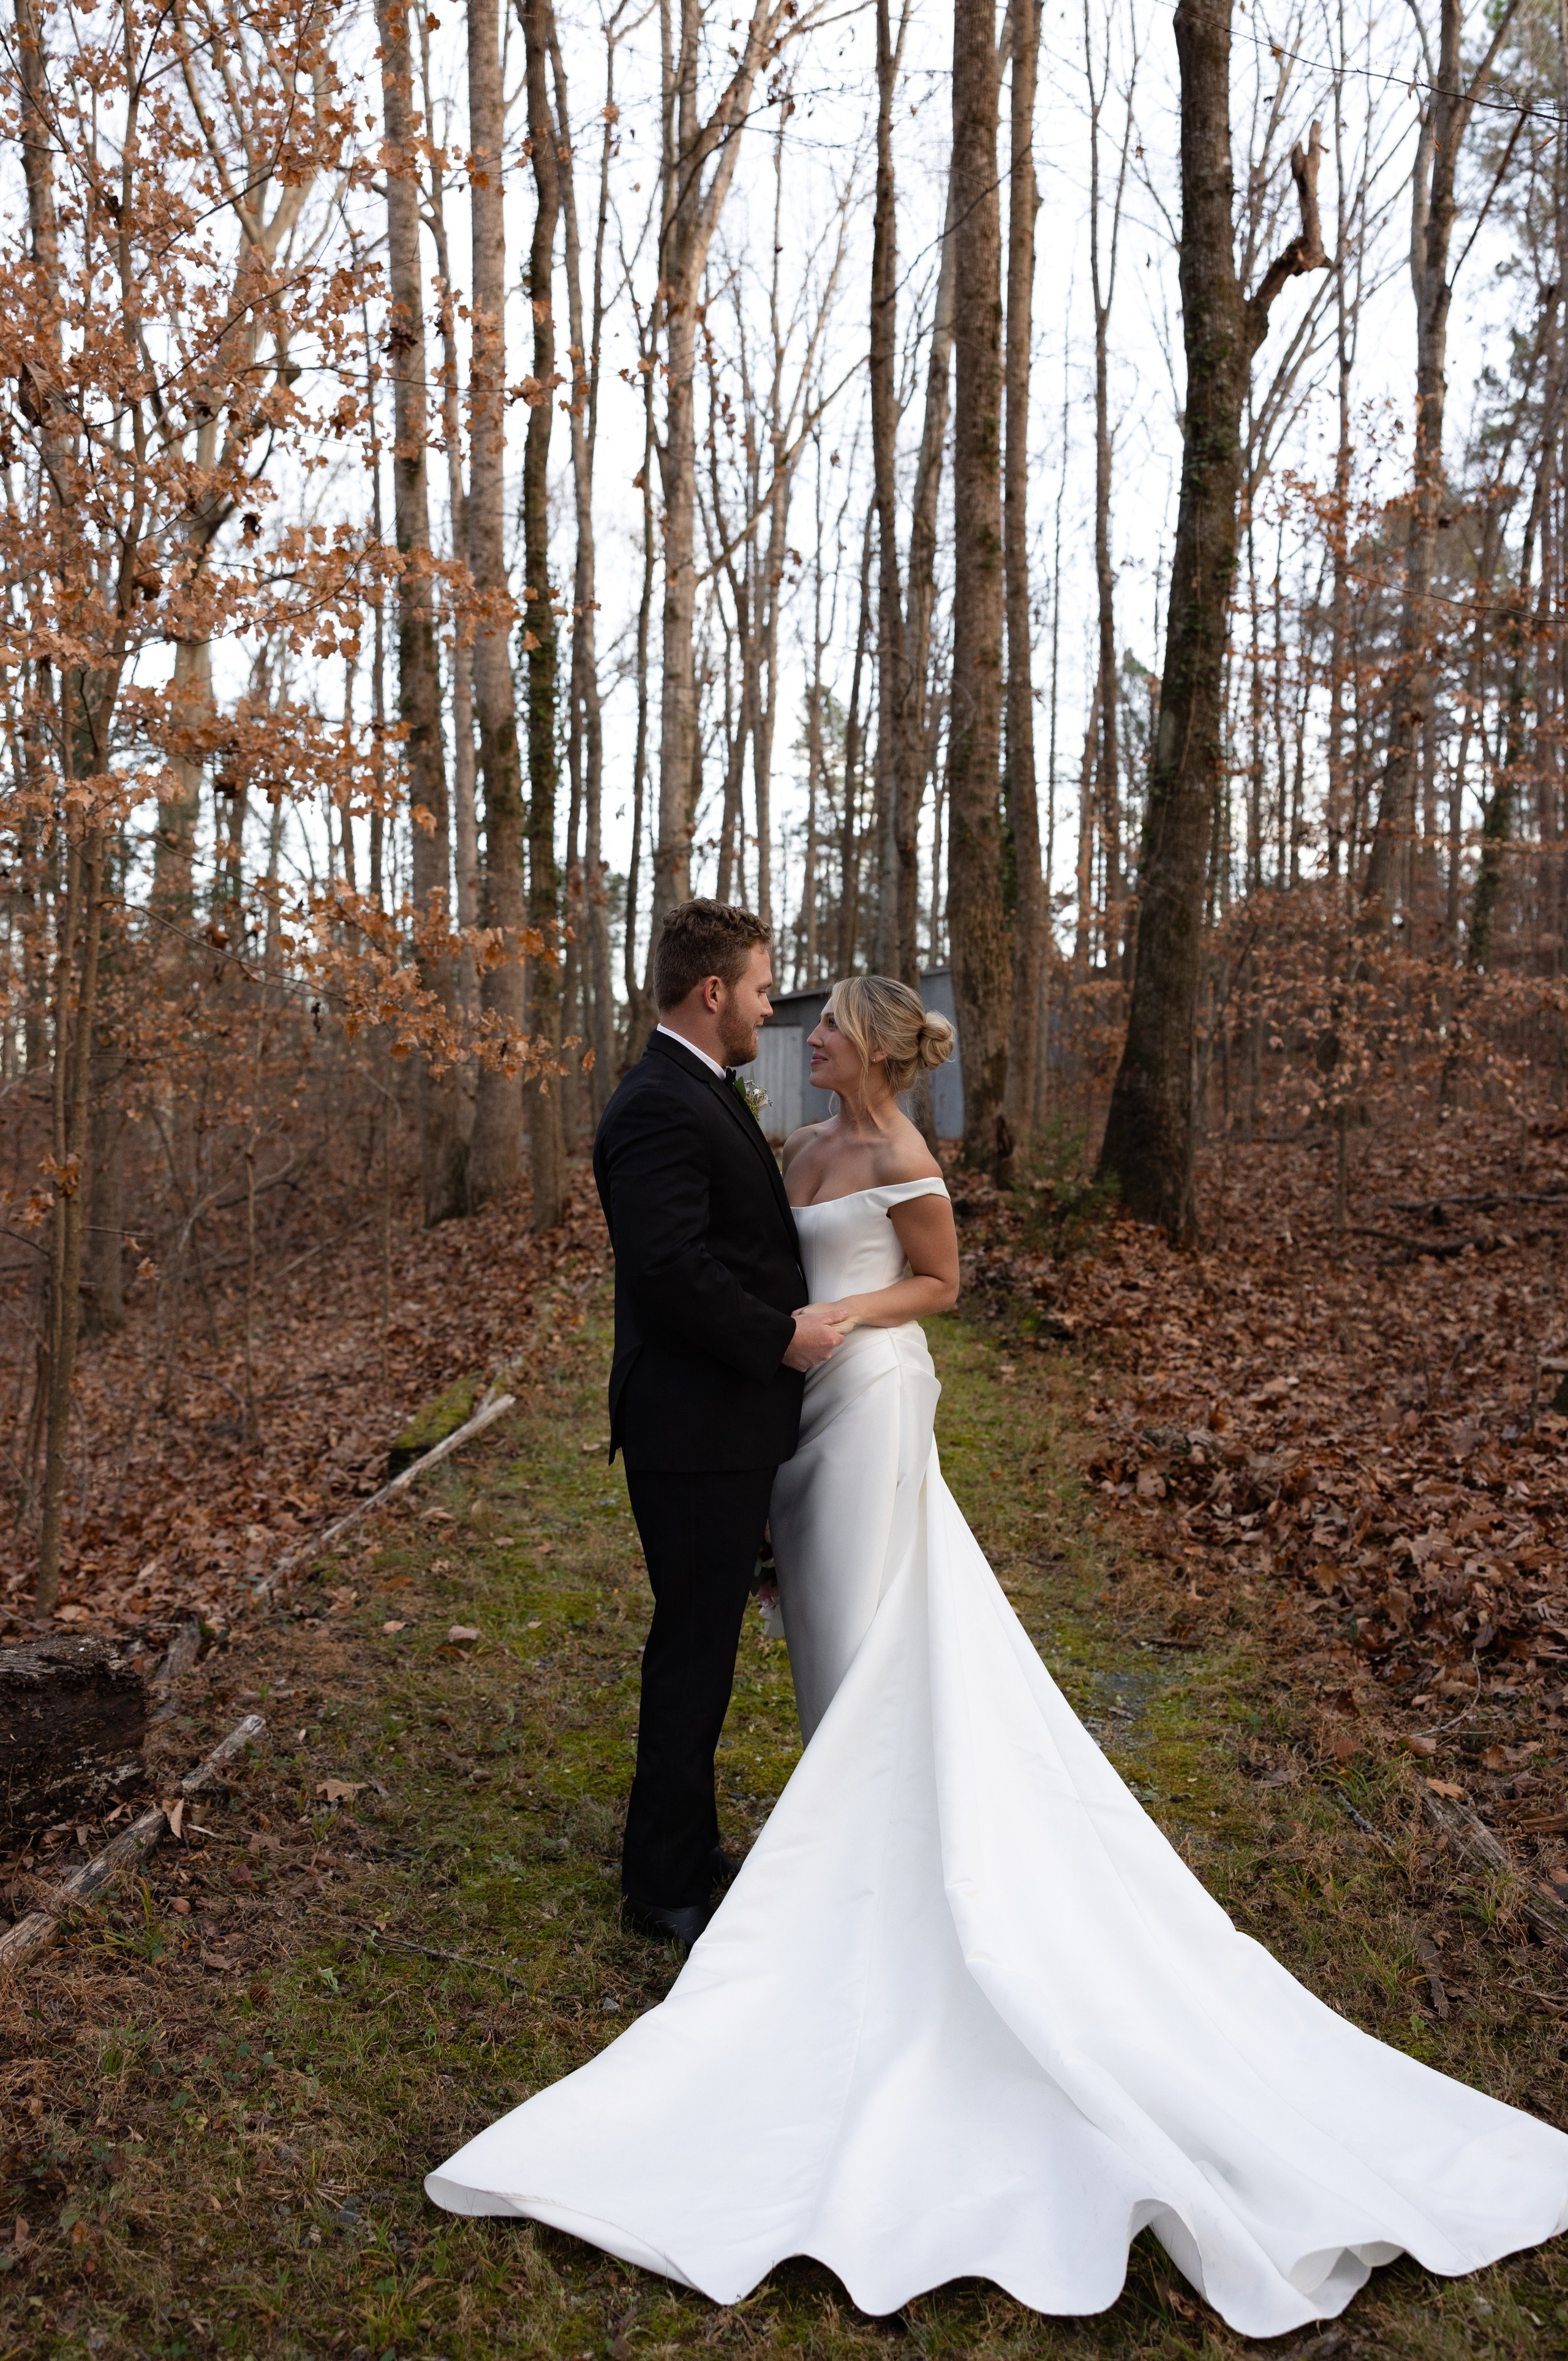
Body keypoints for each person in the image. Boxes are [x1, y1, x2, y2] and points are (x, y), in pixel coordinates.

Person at [428, 974, 1568, 2340]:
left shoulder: (904, 1154)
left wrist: (850, 1323)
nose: (811, 1042)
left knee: (873, 1621)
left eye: (830, 1029)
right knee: (825, 1640)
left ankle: (881, 1858)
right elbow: (747, 1261)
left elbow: (940, 1281)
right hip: (793, 1411)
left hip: (871, 1395)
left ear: (870, 1045)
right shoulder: (796, 1144)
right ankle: (844, 1836)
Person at [586, 899, 846, 1948]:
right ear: (712, 993)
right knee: (692, 1649)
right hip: (690, 1427)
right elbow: (668, 1269)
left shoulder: (701, 1089)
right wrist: (776, 1338)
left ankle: (686, 1847)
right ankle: (663, 1886)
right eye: (757, 985)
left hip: (719, 1422)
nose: (769, 1002)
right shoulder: (655, 1103)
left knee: (703, 1646)